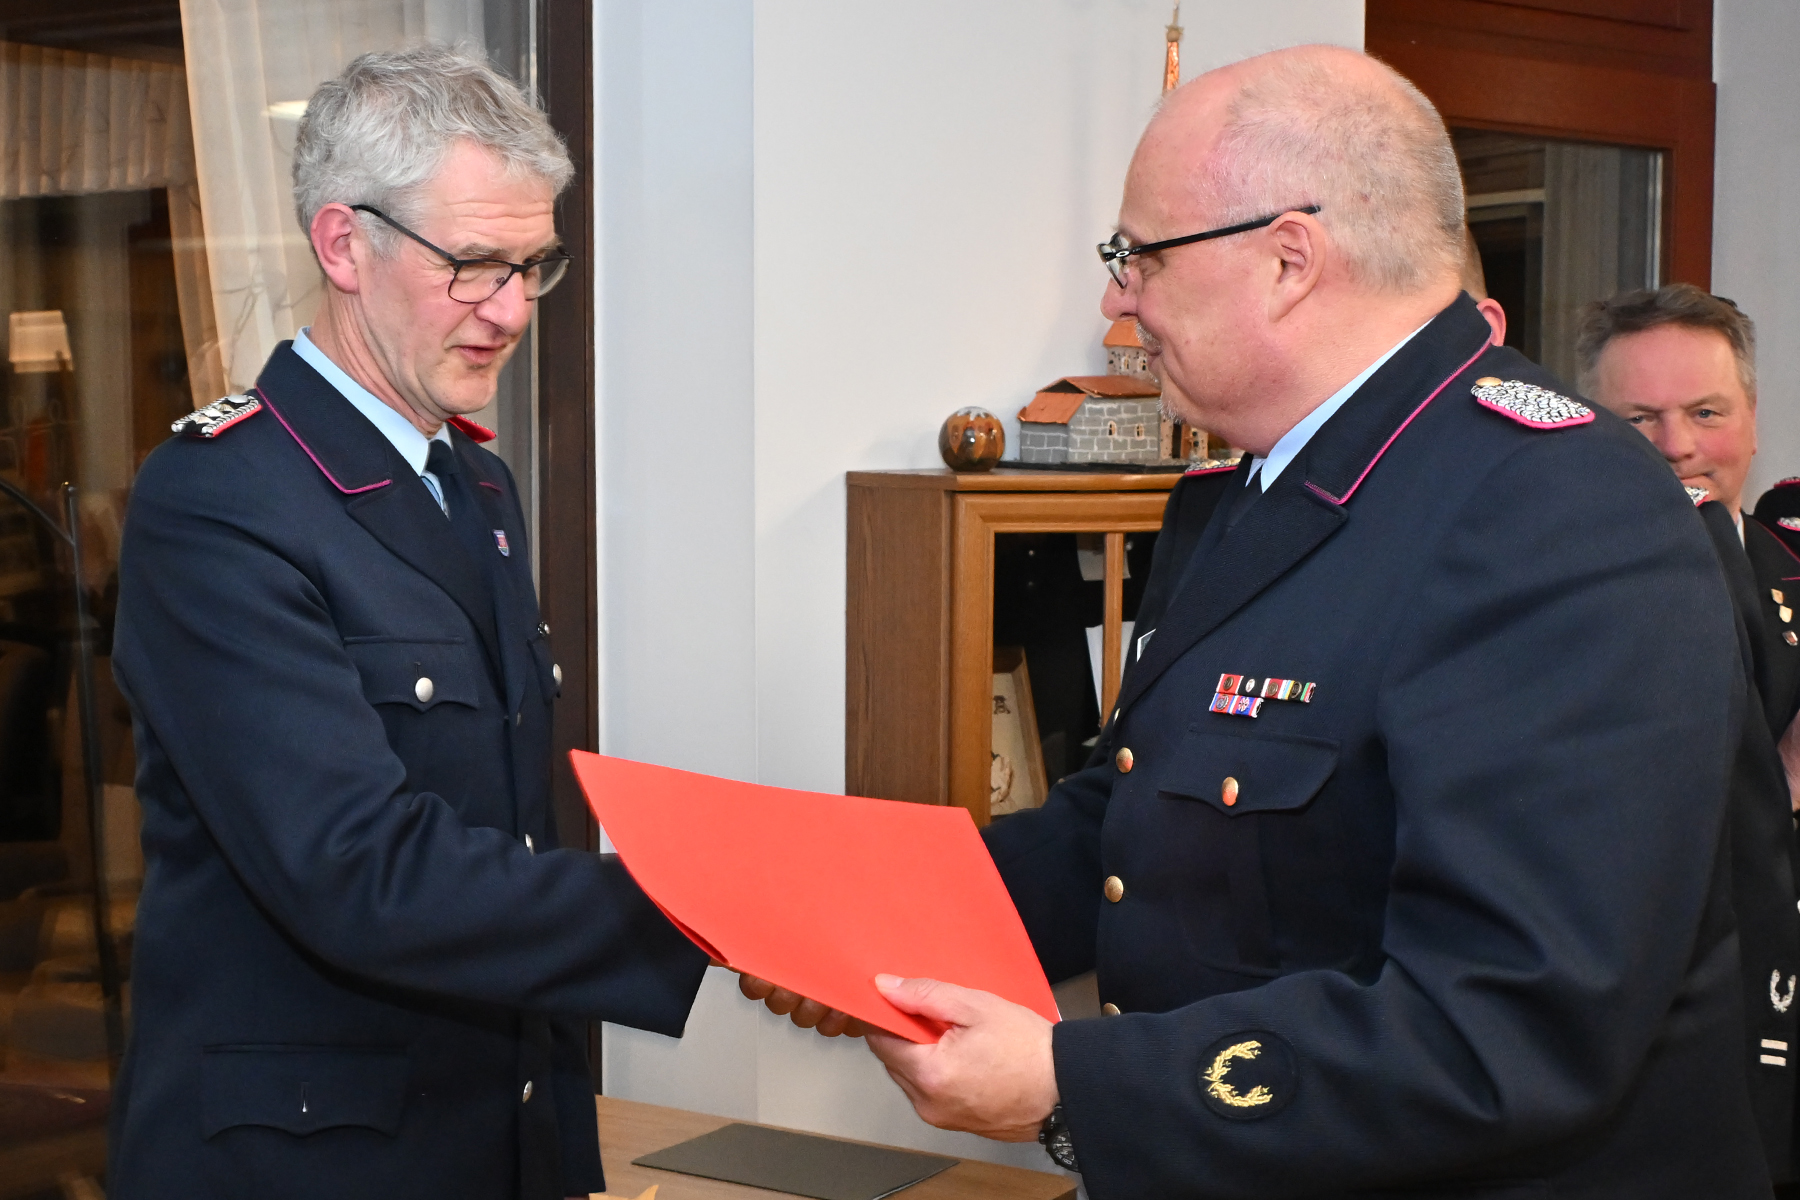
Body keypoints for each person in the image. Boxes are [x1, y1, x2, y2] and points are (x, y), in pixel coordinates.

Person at [749, 44, 1763, 1198]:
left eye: (1140, 255)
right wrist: (861, 920)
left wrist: (1073, 1086)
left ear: (1288, 259)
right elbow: (1128, 824)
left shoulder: (1556, 510)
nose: (1117, 299)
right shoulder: (1247, 495)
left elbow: (1510, 1023)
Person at [109, 46, 708, 1200]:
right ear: (344, 245)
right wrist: (710, 907)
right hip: (309, 1162)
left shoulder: (473, 483)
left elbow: (504, 827)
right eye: (473, 265)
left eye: (532, 266)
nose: (510, 311)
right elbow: (357, 868)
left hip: (493, 1129)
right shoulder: (221, 499)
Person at [1578, 284, 1800, 1185]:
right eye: (1639, 418)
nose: (1676, 445)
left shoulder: (1794, 575)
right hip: (1624, 1045)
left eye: (1706, 412)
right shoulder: (1535, 598)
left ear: (1752, 419)